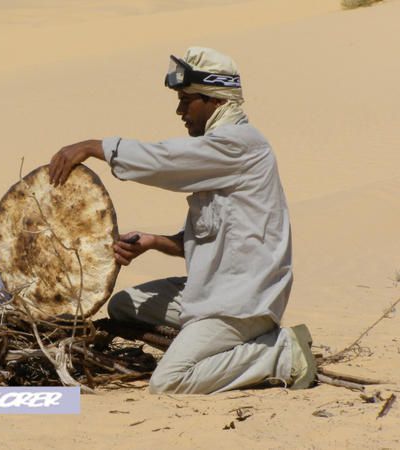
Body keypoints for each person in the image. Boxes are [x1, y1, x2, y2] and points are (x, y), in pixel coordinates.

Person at [48, 47, 316, 394]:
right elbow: (211, 237)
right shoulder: (219, 151)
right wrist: (155, 242)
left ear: (215, 100)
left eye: (186, 100)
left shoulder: (238, 145)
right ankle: (216, 346)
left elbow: (165, 161)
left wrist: (95, 146)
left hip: (242, 302)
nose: (179, 110)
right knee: (123, 305)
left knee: (168, 382)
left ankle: (280, 353)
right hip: (212, 289)